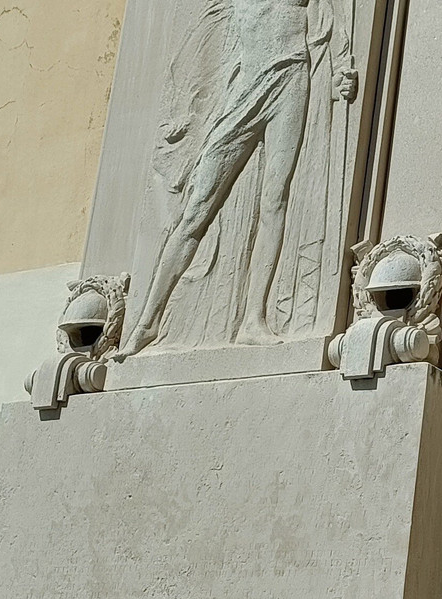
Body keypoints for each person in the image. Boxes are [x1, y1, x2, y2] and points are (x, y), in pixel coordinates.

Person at [120, 0, 357, 357]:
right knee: (196, 210)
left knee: (274, 201)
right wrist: (184, 107)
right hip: (246, 86)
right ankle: (147, 322)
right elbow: (205, 34)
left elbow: (329, 15)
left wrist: (340, 67)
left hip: (291, 76)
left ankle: (252, 320)